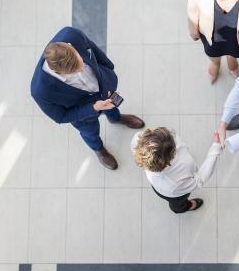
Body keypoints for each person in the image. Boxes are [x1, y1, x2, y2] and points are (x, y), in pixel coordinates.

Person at [31, 27, 145, 170]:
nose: (81, 70)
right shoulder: (40, 91)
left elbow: (95, 51)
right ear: (56, 71)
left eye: (80, 63)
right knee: (90, 133)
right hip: (83, 115)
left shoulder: (71, 34)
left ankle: (115, 118)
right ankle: (99, 150)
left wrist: (109, 70)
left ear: (71, 47)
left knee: (113, 106)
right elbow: (61, 116)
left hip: (105, 89)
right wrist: (94, 108)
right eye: (74, 72)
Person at [131, 127, 222, 213]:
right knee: (178, 203)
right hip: (173, 194)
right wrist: (215, 148)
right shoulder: (175, 183)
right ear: (171, 156)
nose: (171, 133)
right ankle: (183, 207)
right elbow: (200, 179)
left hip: (160, 183)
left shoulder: (138, 140)